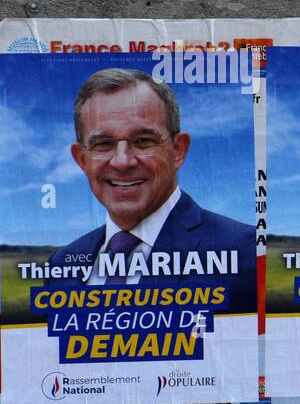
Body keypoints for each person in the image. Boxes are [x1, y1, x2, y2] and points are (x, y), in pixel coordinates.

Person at [50, 68, 256, 313]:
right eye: (103, 144)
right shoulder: (62, 265)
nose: (122, 161)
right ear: (82, 159)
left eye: (143, 141)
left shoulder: (246, 252)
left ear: (178, 150)